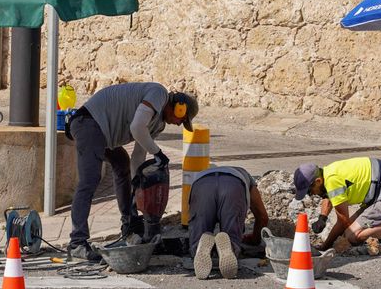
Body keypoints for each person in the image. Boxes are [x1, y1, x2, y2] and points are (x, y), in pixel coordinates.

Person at [66, 82, 198, 262]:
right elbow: (137, 128)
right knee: (90, 179)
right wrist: (158, 153)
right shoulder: (159, 94)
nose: (178, 124)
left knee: (122, 165)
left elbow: (138, 156)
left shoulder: (158, 124)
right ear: (179, 108)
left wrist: (137, 187)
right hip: (88, 123)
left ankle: (129, 226)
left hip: (101, 133)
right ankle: (77, 243)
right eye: (181, 119)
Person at [293, 157, 381, 250]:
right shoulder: (328, 172)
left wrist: (325, 246)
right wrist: (322, 218)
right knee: (345, 233)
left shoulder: (332, 181)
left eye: (310, 191)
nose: (312, 194)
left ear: (318, 181)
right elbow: (329, 195)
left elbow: (343, 221)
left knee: (351, 236)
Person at [189, 166, 269, 280]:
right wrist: (255, 240)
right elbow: (262, 216)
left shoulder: (205, 171)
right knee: (231, 233)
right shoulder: (246, 176)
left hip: (202, 183)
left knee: (199, 228)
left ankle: (199, 247)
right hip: (233, 185)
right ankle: (230, 246)